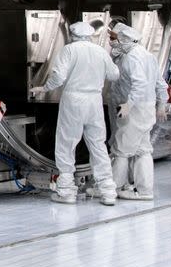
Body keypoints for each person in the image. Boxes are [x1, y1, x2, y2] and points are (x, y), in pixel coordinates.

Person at [31, 21, 119, 205]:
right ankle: (108, 191)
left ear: (73, 35)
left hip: (73, 100)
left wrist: (43, 88)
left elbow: (59, 77)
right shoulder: (100, 51)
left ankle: (66, 191)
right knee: (98, 144)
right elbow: (114, 75)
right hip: (94, 100)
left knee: (66, 143)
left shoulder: (69, 50)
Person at [108, 22, 169, 200]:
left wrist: (128, 104)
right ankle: (144, 191)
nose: (111, 41)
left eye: (113, 38)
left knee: (121, 149)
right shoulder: (147, 55)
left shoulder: (131, 58)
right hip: (146, 109)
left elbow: (140, 83)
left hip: (133, 110)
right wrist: (161, 104)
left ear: (124, 39)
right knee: (143, 150)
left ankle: (112, 188)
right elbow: (160, 83)